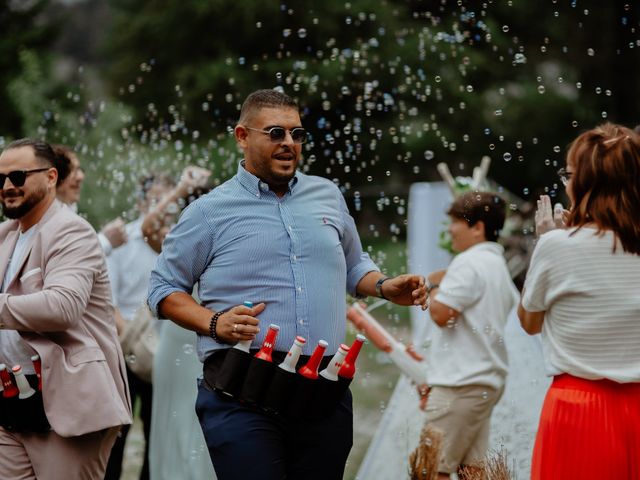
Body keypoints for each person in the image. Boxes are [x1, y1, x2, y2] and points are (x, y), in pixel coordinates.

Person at [147, 88, 427, 480]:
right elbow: (161, 289)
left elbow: (353, 264)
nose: (289, 144)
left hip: (323, 391)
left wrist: (383, 285)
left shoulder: (327, 195)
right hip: (241, 392)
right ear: (242, 136)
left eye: (297, 135)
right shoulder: (208, 212)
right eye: (276, 133)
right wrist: (214, 323)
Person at [0, 138, 131, 478]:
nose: (6, 186)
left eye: (17, 176)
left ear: (51, 177)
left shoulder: (72, 231)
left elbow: (62, 306)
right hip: (11, 402)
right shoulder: (6, 235)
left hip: (71, 405)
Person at [519, 123, 640, 479]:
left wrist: (545, 245)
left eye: (569, 174)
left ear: (583, 182)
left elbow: (529, 323)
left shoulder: (557, 246)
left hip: (579, 411)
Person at [422, 191, 518, 479]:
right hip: (484, 382)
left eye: (455, 222)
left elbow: (441, 314)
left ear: (477, 228)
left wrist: (432, 287)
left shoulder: (469, 262)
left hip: (459, 384)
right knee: (472, 471)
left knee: (430, 470)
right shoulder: (496, 264)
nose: (449, 230)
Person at [140, 167, 216, 480]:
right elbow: (149, 227)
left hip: (211, 343)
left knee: (203, 425)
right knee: (173, 423)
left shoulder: (229, 240)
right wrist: (182, 187)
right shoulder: (180, 243)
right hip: (176, 344)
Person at [103, 172, 177, 480]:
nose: (164, 208)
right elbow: (109, 300)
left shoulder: (176, 245)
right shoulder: (123, 240)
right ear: (140, 203)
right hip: (123, 346)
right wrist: (132, 343)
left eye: (169, 202)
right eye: (156, 200)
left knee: (157, 430)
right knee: (116, 430)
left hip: (164, 349)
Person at [52, 144, 128, 255]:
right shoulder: (48, 218)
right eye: (71, 170)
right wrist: (105, 240)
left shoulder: (68, 212)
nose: (80, 176)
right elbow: (70, 259)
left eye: (79, 169)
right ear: (53, 176)